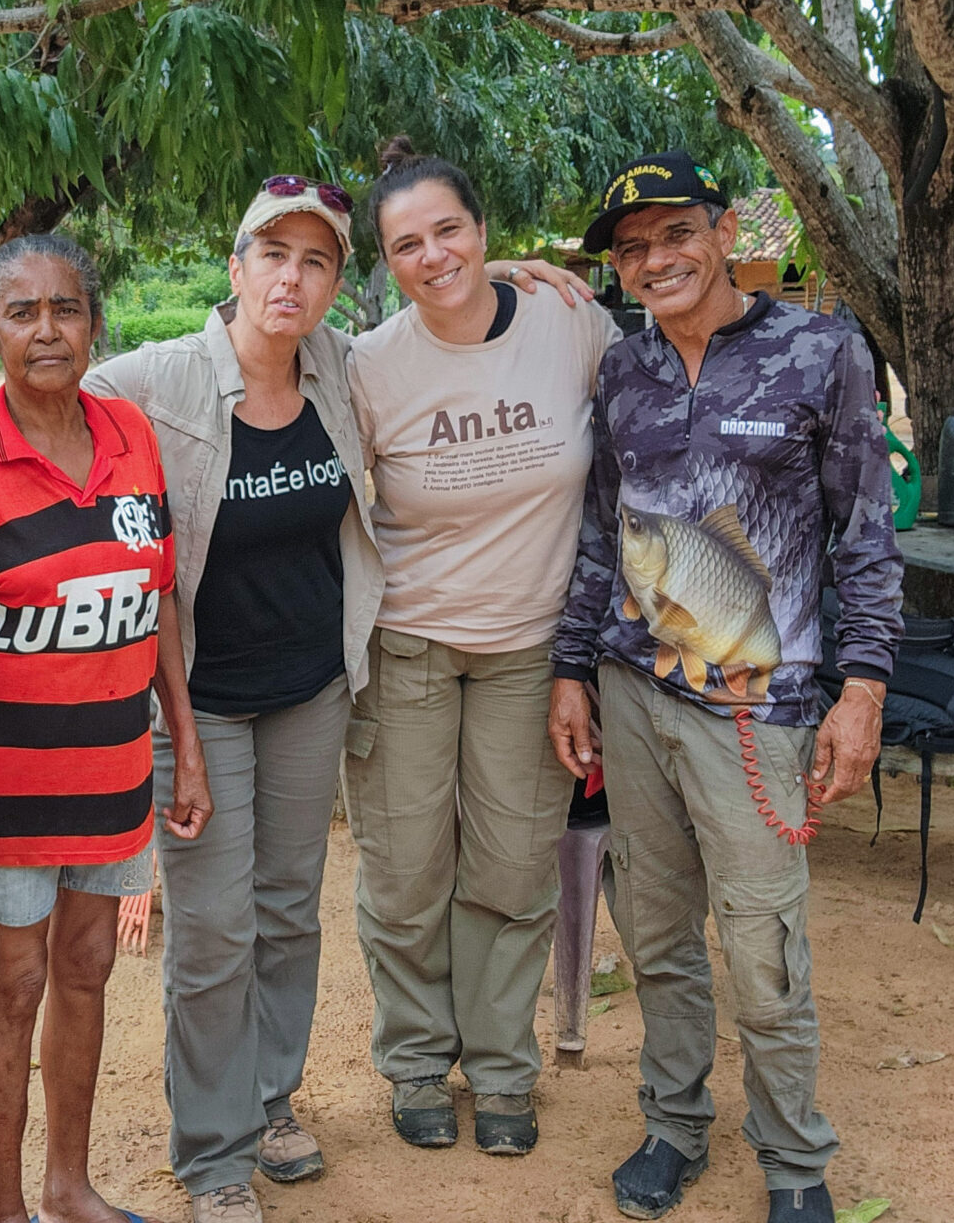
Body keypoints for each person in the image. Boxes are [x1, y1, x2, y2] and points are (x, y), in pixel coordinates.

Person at [0, 180, 589, 1223]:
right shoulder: (159, 378)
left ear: (330, 285)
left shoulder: (339, 367)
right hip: (205, 701)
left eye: (315, 262)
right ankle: (215, 1149)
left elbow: (435, 317)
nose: (292, 277)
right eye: (272, 255)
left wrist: (497, 273)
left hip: (311, 686)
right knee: (215, 930)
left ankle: (271, 1104)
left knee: (288, 914)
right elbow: (38, 376)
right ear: (234, 268)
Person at [547, 151, 902, 1223]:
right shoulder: (623, 370)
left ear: (722, 229)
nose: (655, 260)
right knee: (656, 935)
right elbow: (601, 534)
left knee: (763, 942)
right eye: (630, 248)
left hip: (764, 706)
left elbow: (868, 535)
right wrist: (571, 670)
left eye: (672, 234)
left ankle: (795, 1161)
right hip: (637, 692)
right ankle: (672, 1126)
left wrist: (864, 690)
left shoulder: (822, 351)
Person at [343, 139, 620, 1156]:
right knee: (407, 868)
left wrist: (584, 662)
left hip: (529, 653)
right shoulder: (371, 366)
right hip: (408, 644)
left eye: (448, 231)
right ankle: (417, 1059)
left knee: (510, 869)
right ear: (386, 261)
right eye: (405, 244)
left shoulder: (567, 320)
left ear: (482, 230)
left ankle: (501, 1067)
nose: (432, 255)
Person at [0, 234, 213, 1223]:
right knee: (14, 985)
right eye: (22, 312)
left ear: (94, 322)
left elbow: (160, 603)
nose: (47, 330)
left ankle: (68, 1186)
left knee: (88, 972)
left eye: (65, 309)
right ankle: (5, 1209)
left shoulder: (129, 432)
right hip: (5, 784)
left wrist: (182, 749)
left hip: (114, 771)